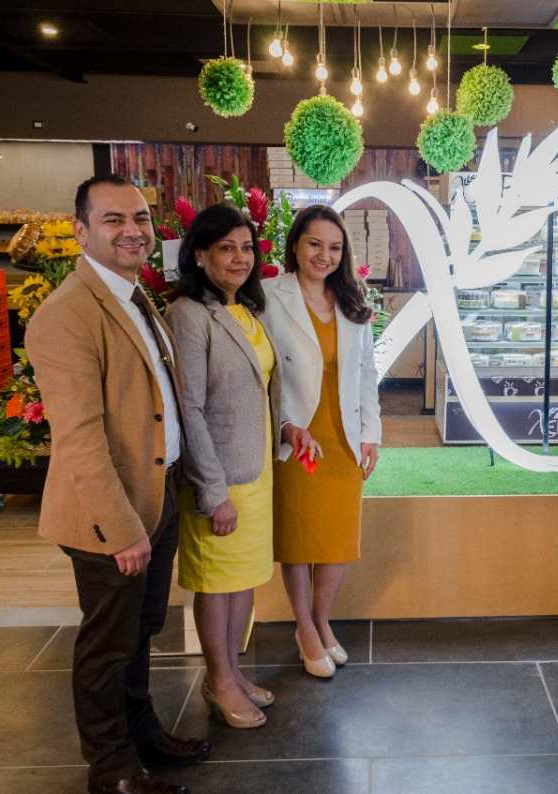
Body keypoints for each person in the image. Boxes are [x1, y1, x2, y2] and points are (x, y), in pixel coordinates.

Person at [26, 175, 209, 794]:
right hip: (113, 516)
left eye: (140, 217)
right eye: (113, 220)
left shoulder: (134, 296)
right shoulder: (67, 315)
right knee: (108, 644)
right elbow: (79, 436)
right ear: (81, 231)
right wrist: (122, 528)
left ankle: (142, 731)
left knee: (141, 629)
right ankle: (111, 769)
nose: (133, 230)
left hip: (157, 496)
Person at [165, 205, 280, 730]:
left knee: (242, 580)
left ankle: (231, 672)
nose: (240, 258)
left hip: (255, 473)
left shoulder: (246, 310)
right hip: (219, 479)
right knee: (216, 583)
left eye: (246, 247)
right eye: (226, 248)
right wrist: (213, 492)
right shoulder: (189, 314)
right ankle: (219, 681)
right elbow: (188, 407)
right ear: (199, 255)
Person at [260, 204, 381, 679]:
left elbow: (367, 372)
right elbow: (263, 373)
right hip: (297, 437)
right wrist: (287, 423)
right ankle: (305, 629)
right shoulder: (268, 295)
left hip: (343, 437)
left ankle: (321, 620)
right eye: (314, 244)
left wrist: (370, 434)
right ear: (295, 245)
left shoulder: (352, 301)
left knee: (335, 540)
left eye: (334, 247)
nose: (323, 256)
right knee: (298, 540)